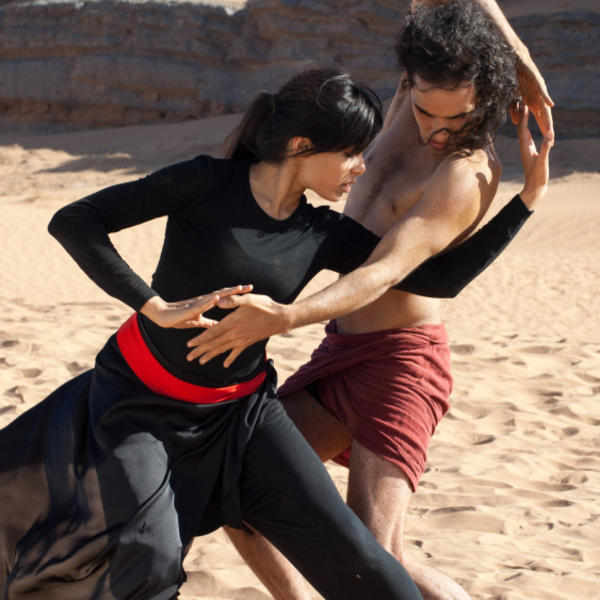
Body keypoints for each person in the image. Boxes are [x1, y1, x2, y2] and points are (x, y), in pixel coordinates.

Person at [0, 63, 537, 600]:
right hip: (139, 406)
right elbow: (76, 221)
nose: (361, 167)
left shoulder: (322, 231)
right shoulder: (206, 182)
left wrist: (527, 198)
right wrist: (153, 305)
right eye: (351, 153)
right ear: (302, 146)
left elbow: (440, 279)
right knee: (152, 561)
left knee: (367, 566)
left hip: (242, 415)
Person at [184, 2, 554, 599]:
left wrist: (288, 317)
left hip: (401, 365)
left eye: (455, 118)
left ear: (484, 97)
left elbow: (384, 271)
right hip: (342, 353)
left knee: (376, 555)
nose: (437, 129)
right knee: (239, 489)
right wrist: (522, 56)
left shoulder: (465, 173)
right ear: (411, 79)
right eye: (426, 110)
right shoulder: (412, 95)